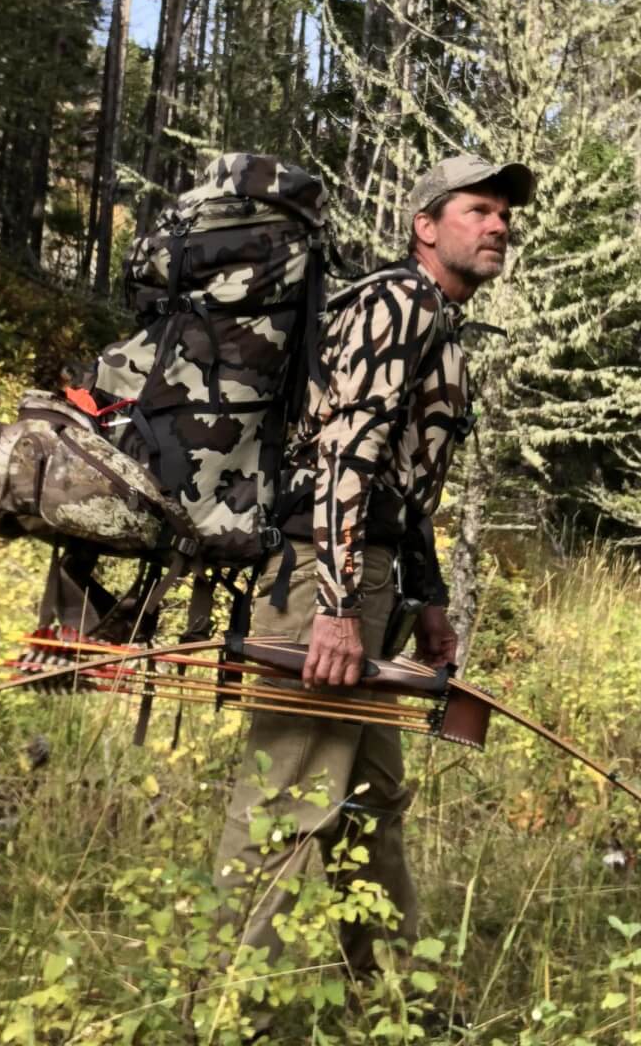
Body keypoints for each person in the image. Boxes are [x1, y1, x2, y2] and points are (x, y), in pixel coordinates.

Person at [213, 153, 535, 982]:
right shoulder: (399, 300)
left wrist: (424, 600)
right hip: (326, 577)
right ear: (425, 226)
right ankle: (221, 1015)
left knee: (367, 808)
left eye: (504, 212)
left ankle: (399, 1003)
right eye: (477, 209)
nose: (498, 223)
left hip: (368, 578)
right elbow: (344, 456)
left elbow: (398, 479)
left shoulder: (432, 314)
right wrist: (336, 608)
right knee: (285, 804)